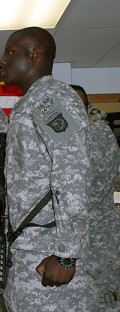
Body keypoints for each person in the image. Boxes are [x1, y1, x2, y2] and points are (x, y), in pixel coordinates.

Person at [0, 27, 97, 311]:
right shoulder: (30, 103)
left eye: (10, 52)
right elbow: (11, 139)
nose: (3, 61)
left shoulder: (53, 99)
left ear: (35, 55)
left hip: (49, 249)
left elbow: (72, 172)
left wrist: (67, 255)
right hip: (29, 248)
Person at [71, 84, 120, 311]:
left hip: (96, 238)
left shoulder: (91, 136)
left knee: (101, 300)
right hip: (99, 235)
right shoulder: (98, 132)